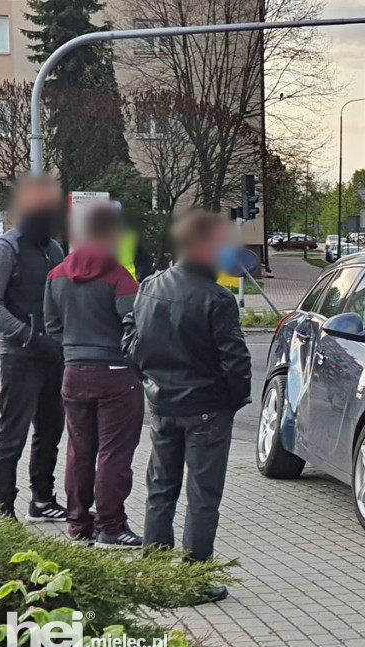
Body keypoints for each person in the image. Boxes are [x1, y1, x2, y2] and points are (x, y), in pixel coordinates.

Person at [124, 211, 251, 602]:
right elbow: (236, 361)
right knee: (202, 495)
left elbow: (131, 344)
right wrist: (231, 401)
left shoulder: (148, 286)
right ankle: (194, 578)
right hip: (207, 409)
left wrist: (150, 380)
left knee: (161, 489)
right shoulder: (217, 298)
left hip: (162, 404)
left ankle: (154, 573)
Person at [45, 205, 144, 548]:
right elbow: (135, 328)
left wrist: (75, 348)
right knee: (114, 453)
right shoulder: (119, 277)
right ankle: (111, 526)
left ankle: (78, 525)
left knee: (79, 450)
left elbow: (52, 326)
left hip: (72, 373)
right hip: (116, 375)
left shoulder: (56, 274)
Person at [0, 177, 67, 522]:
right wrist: (26, 335)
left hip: (54, 356)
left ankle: (42, 500)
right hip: (19, 356)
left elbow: (62, 298)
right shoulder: (6, 248)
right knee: (12, 435)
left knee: (51, 431)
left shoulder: (54, 249)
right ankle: (2, 507)